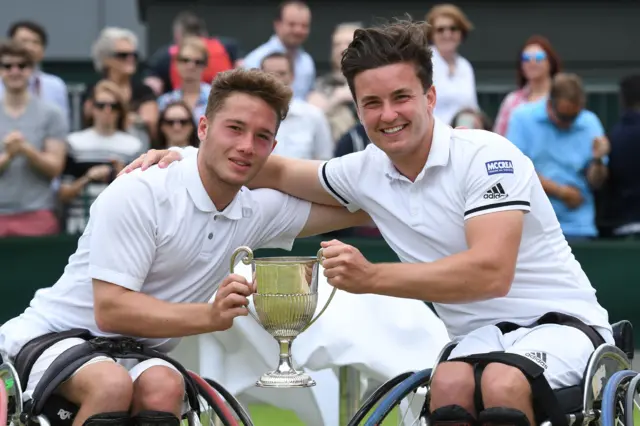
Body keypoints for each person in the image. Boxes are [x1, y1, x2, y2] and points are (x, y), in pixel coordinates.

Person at [126, 19, 613, 426]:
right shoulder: (364, 171)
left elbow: (490, 272)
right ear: (356, 109)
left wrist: (373, 278)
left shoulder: (487, 154)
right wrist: (191, 155)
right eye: (371, 104)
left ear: (430, 97)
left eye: (401, 97)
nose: (388, 115)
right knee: (447, 381)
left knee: (501, 380)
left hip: (562, 327)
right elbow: (271, 167)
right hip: (476, 343)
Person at [0, 68, 368, 426]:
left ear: (273, 147)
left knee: (165, 387)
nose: (245, 146)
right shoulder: (142, 189)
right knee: (109, 386)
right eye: (235, 128)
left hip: (139, 355)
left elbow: (363, 205)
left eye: (261, 137)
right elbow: (110, 310)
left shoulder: (257, 210)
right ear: (204, 128)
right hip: (55, 336)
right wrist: (210, 317)